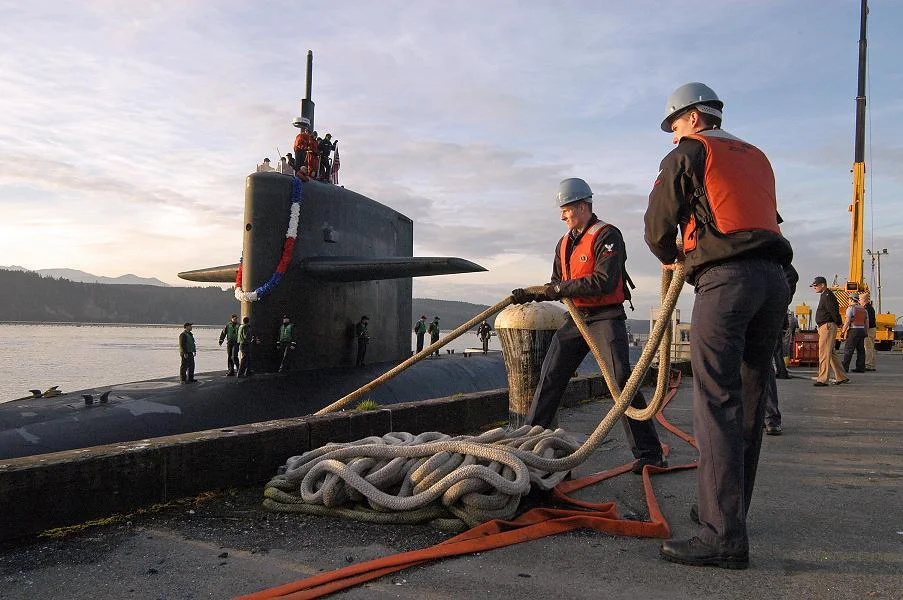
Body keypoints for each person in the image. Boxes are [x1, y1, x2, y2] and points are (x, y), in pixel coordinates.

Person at [645, 83, 793, 569]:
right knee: (750, 402)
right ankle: (727, 513)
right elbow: (765, 217)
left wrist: (677, 263)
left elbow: (657, 228)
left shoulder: (689, 154)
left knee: (715, 402)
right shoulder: (755, 156)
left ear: (690, 119)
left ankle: (722, 535)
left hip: (726, 281)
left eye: (673, 127)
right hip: (774, 281)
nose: (672, 137)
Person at [512, 177, 666, 477]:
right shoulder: (564, 243)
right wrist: (541, 292)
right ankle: (529, 444)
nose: (562, 215)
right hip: (577, 318)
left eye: (567, 209)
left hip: (605, 317)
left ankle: (650, 454)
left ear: (583, 206)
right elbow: (558, 281)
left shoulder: (607, 235)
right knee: (551, 374)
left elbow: (605, 280)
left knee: (621, 380)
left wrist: (560, 290)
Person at [764, 265, 799, 436]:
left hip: (759, 319)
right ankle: (768, 418)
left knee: (762, 368)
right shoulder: (771, 255)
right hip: (766, 318)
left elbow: (791, 275)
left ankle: (769, 417)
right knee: (763, 368)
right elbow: (791, 276)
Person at [812, 276, 849, 386]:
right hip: (826, 326)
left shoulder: (827, 296)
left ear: (822, 285)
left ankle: (823, 379)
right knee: (831, 353)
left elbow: (833, 310)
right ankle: (841, 376)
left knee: (824, 353)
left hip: (827, 326)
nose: (814, 287)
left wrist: (838, 323)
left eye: (815, 285)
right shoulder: (825, 295)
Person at [841, 294, 867, 373]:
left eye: (849, 299)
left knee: (849, 349)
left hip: (854, 330)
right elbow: (866, 322)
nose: (848, 301)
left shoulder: (851, 309)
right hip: (862, 330)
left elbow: (847, 321)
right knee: (861, 350)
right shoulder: (863, 309)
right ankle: (860, 367)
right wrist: (865, 331)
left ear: (852, 300)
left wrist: (843, 331)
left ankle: (845, 367)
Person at [862, 291, 877, 371]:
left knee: (868, 347)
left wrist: (865, 330)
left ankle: (868, 364)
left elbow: (868, 321)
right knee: (871, 347)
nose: (859, 301)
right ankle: (871, 364)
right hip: (872, 329)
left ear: (864, 300)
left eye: (860, 299)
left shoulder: (867, 309)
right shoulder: (870, 308)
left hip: (869, 329)